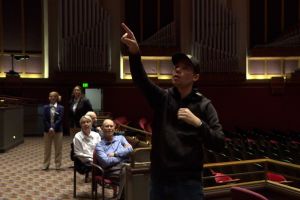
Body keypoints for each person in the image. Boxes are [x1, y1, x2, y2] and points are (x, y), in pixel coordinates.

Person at [121, 23, 224, 200]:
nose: (177, 69)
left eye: (185, 67)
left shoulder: (205, 105)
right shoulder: (163, 98)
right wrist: (135, 53)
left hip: (188, 184)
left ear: (195, 77)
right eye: (177, 66)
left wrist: (198, 123)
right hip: (160, 181)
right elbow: (141, 81)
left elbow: (219, 142)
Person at [42, 91, 64, 170]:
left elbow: (60, 119)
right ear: (49, 97)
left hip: (58, 131)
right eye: (50, 96)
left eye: (54, 96)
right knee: (47, 149)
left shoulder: (61, 108)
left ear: (57, 98)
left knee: (58, 148)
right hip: (47, 131)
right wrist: (50, 128)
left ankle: (57, 165)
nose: (52, 98)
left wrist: (53, 127)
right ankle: (46, 164)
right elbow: (44, 119)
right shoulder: (45, 107)